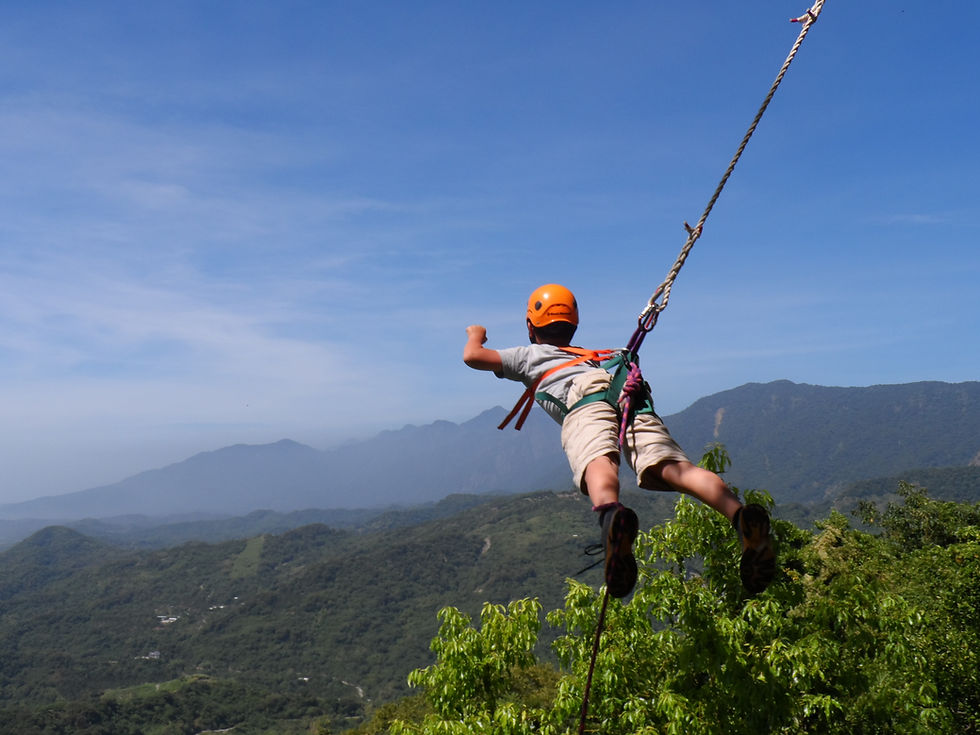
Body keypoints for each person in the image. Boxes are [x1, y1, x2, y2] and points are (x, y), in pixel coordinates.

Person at [463, 283, 774, 598]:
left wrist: (476, 333)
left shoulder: (528, 356)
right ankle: (739, 514)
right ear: (574, 324)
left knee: (599, 460)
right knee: (669, 467)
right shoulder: (591, 356)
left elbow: (473, 356)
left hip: (587, 401)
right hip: (626, 393)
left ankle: (611, 514)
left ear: (531, 326)